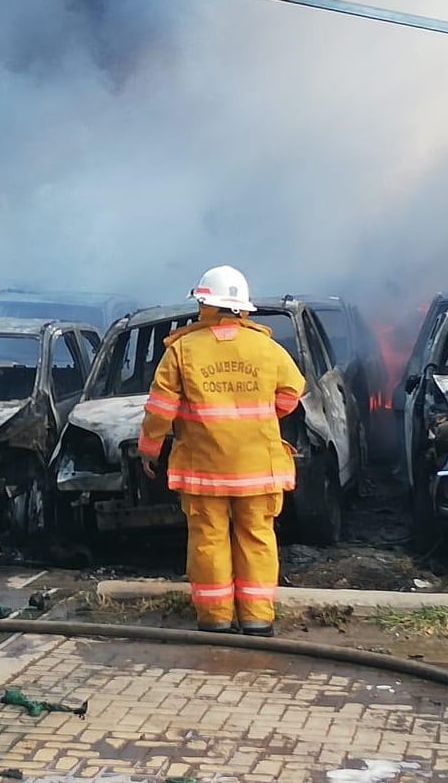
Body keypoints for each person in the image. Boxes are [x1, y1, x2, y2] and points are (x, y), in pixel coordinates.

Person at [138, 265, 305, 636]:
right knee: (258, 539)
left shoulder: (182, 350)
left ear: (204, 303)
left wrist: (149, 449)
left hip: (204, 469)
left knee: (208, 540)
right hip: (258, 468)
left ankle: (215, 619)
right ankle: (257, 619)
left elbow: (160, 410)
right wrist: (259, 414)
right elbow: (292, 394)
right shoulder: (267, 348)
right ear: (243, 308)